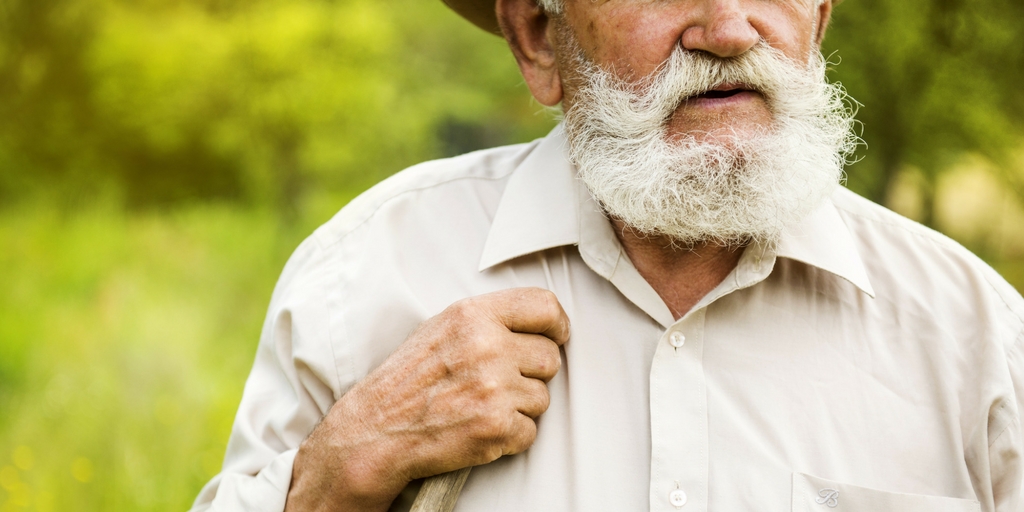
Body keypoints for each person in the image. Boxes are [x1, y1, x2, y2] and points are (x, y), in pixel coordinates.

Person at [191, 0, 1024, 510]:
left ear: (820, 15)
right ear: (537, 38)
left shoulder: (974, 341)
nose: (730, 30)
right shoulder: (365, 279)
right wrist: (334, 480)